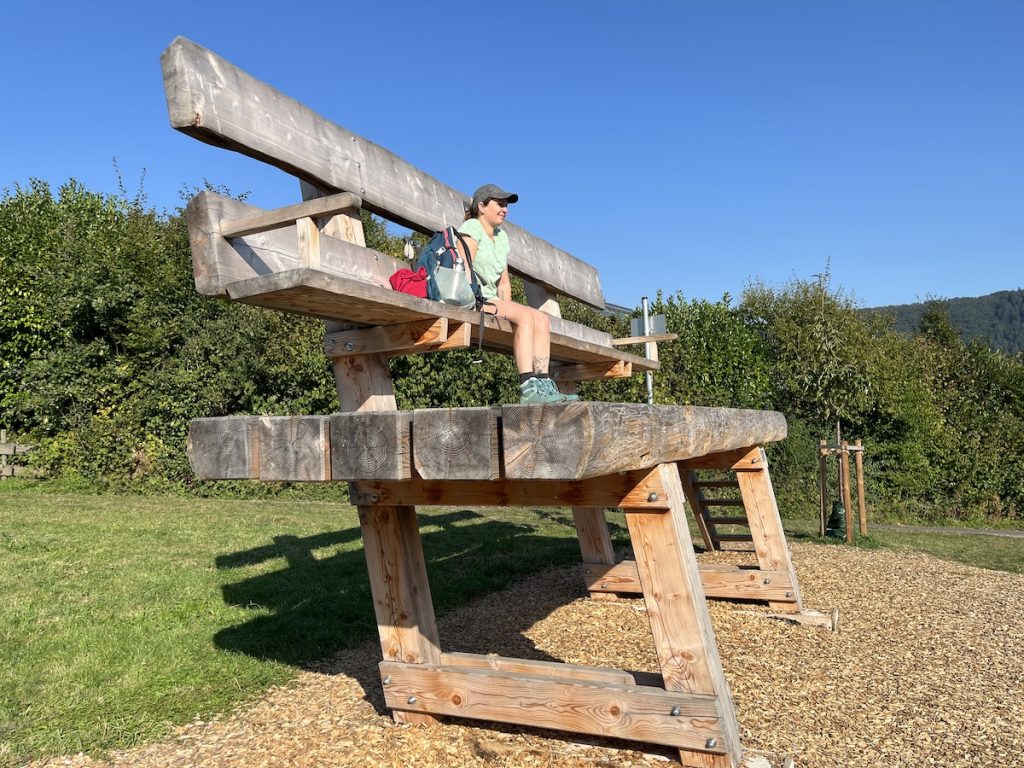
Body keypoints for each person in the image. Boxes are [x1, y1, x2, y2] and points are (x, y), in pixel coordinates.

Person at [458, 184, 577, 404]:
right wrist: (515, 314)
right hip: (470, 297)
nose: (505, 209)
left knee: (540, 318)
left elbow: (504, 283)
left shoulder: (501, 237)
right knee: (524, 316)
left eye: (506, 205)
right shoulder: (472, 228)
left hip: (491, 299)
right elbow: (463, 269)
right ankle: (528, 388)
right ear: (481, 206)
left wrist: (509, 312)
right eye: (500, 204)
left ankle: (542, 383)